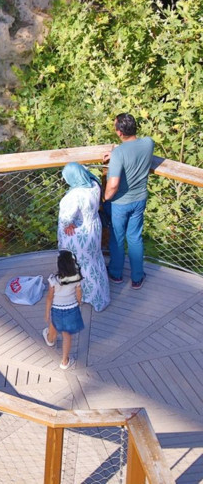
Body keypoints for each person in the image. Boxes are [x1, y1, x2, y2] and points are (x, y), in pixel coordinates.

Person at [102, 113, 154, 289]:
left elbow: (114, 184)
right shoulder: (148, 143)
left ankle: (116, 274)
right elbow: (133, 150)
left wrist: (105, 197)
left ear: (119, 133)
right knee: (134, 237)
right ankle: (137, 277)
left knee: (117, 238)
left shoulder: (119, 154)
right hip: (140, 199)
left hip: (121, 203)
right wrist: (116, 153)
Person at [58, 162, 110, 312]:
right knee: (93, 262)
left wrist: (68, 223)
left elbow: (65, 218)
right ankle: (98, 295)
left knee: (74, 263)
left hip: (78, 235)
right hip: (93, 229)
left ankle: (77, 295)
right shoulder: (94, 184)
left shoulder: (74, 196)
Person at [42, 250, 84, 370]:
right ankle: (65, 361)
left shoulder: (54, 280)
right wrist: (79, 302)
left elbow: (50, 297)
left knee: (55, 323)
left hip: (57, 308)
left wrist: (47, 313)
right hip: (71, 308)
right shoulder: (77, 277)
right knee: (67, 335)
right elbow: (79, 293)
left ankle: (50, 339)